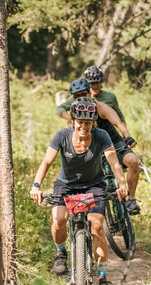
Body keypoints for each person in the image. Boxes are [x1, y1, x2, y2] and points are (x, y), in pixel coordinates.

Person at [31, 97, 128, 285]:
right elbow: (47, 161)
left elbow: (114, 162)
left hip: (94, 185)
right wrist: (36, 185)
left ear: (94, 122)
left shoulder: (101, 136)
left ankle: (101, 278)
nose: (84, 126)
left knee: (97, 227)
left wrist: (122, 183)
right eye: (80, 122)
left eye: (88, 122)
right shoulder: (62, 136)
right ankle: (60, 253)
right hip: (65, 185)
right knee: (59, 220)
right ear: (73, 120)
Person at [56, 66, 142, 214]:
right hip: (92, 147)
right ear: (73, 98)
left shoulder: (99, 106)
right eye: (77, 96)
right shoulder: (74, 116)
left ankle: (131, 200)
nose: (81, 97)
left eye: (84, 94)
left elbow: (117, 121)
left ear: (89, 93)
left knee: (133, 161)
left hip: (113, 141)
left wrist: (126, 135)